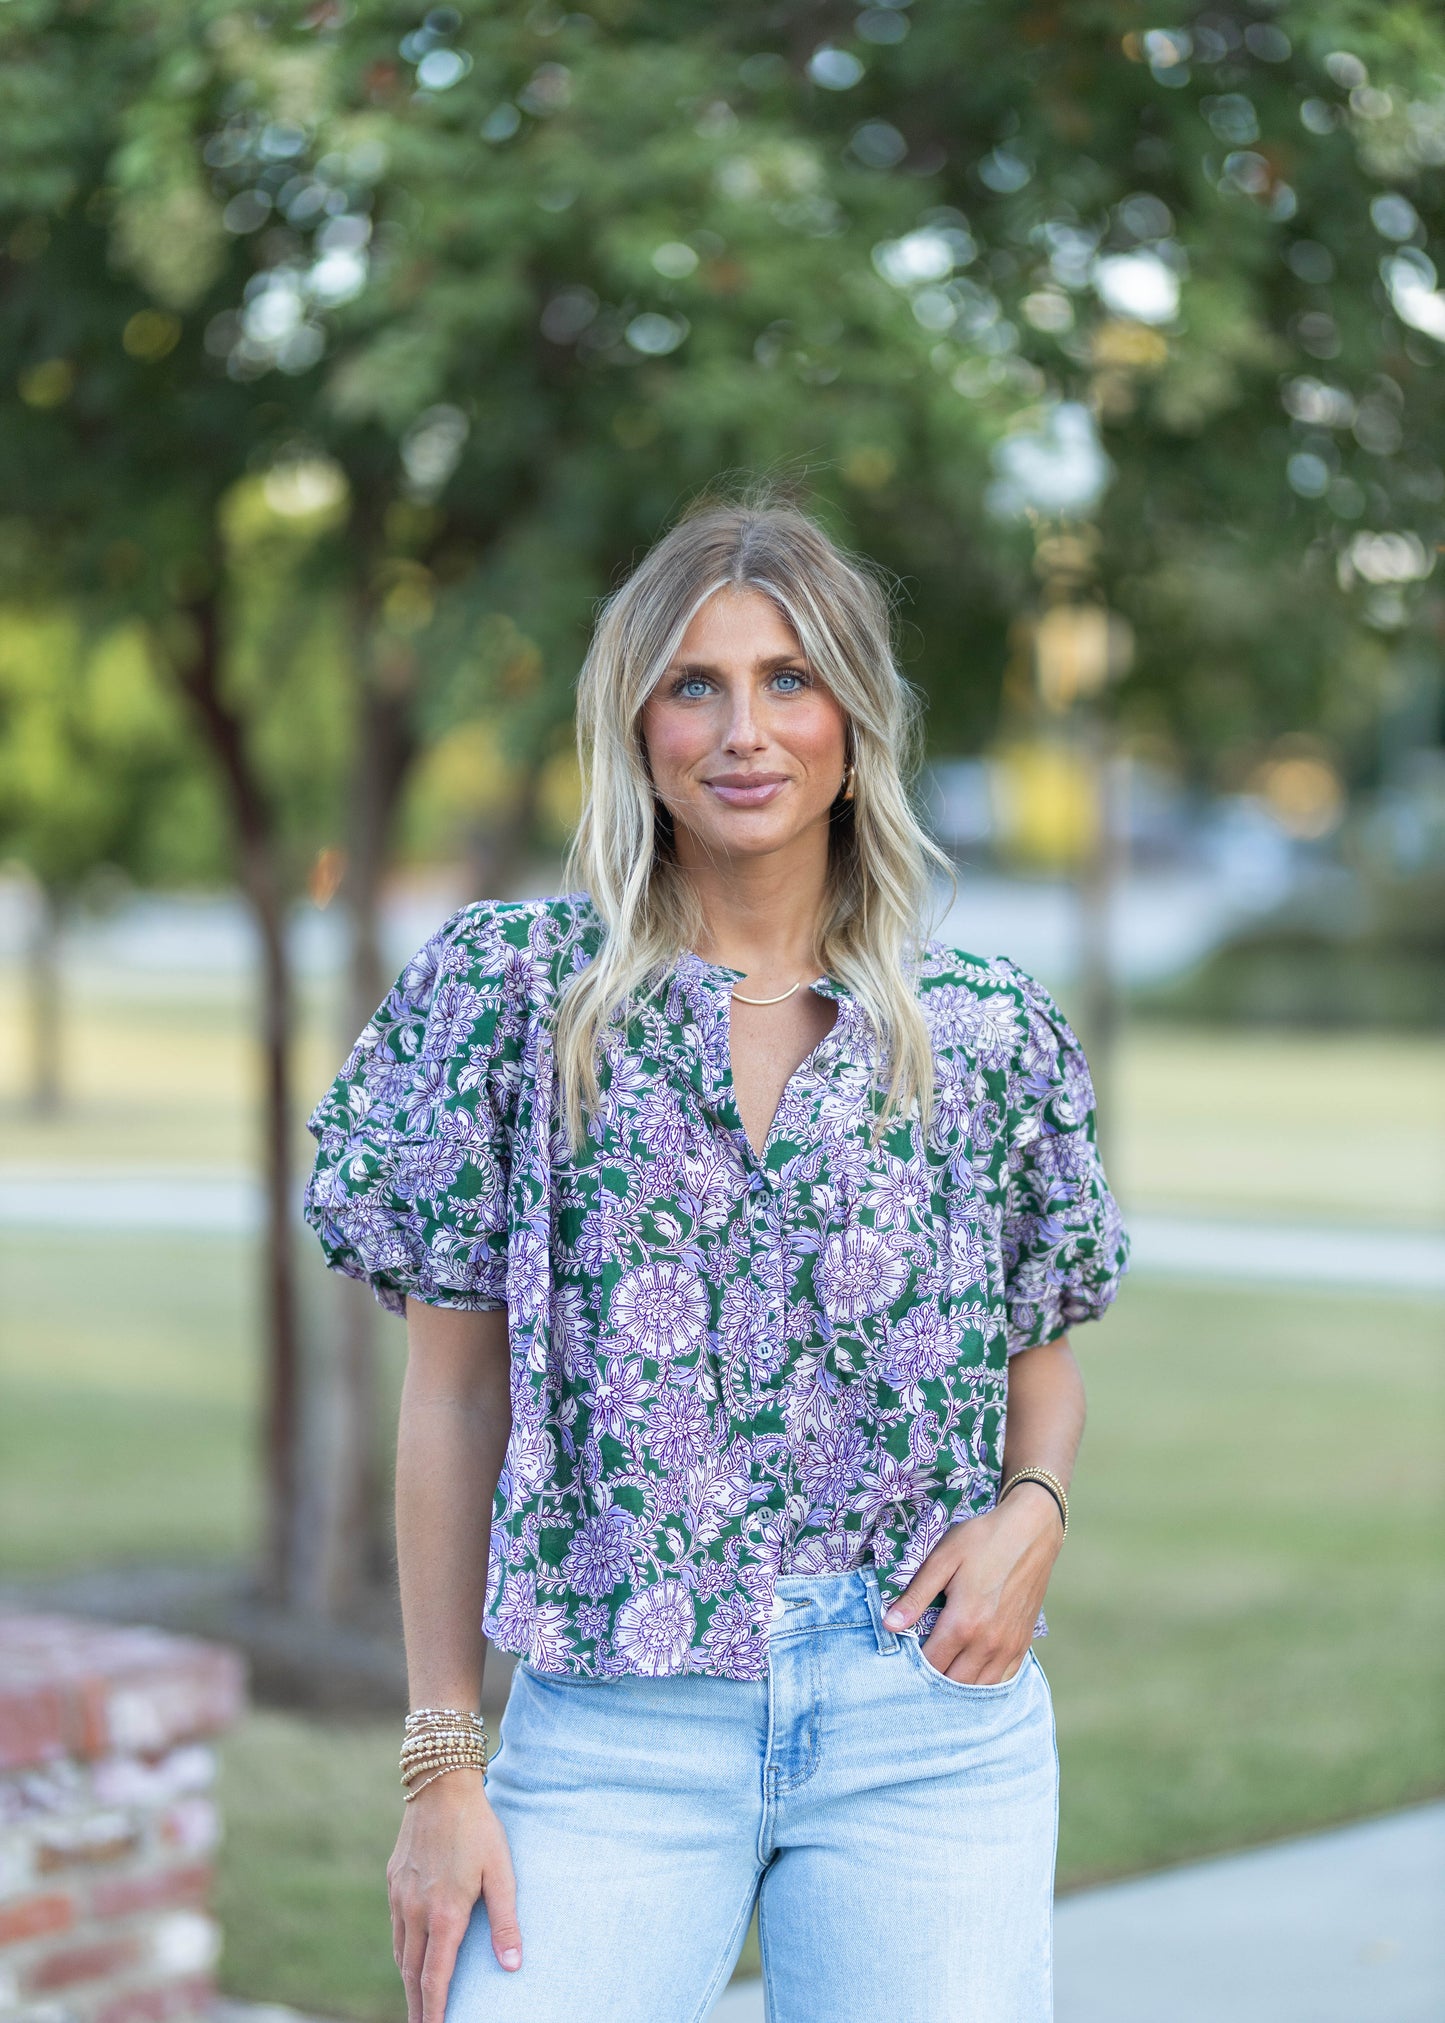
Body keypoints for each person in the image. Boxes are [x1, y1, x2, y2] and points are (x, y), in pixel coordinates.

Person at [302, 486, 1130, 2023]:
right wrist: (440, 1760)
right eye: (694, 683)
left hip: (925, 1732)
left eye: (786, 680)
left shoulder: (983, 1030)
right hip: (612, 1733)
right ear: (635, 726)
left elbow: (1043, 1359)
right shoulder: (511, 1000)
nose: (743, 731)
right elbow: (451, 1402)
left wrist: (1032, 1512)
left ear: (852, 723)